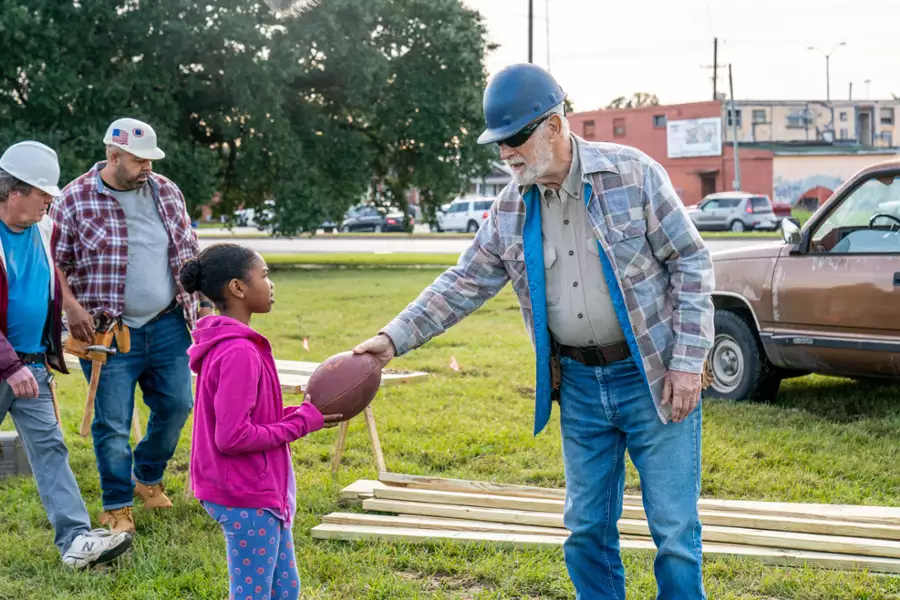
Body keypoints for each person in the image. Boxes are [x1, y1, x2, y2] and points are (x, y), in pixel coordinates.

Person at [354, 64, 714, 599]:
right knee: (585, 529)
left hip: (655, 378)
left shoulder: (633, 175)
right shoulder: (509, 208)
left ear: (554, 125)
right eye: (498, 142)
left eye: (515, 138)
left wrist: (687, 363)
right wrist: (390, 340)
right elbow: (462, 283)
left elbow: (691, 262)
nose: (506, 153)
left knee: (675, 531)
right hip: (580, 386)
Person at [49, 117, 215, 534]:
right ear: (113, 156)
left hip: (168, 322)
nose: (148, 167)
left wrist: (205, 304)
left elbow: (188, 252)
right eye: (139, 160)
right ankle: (117, 506)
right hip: (107, 333)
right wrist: (70, 306)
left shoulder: (167, 190)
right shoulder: (73, 199)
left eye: (150, 160)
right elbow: (54, 264)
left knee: (177, 405)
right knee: (113, 423)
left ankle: (147, 476)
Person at [179, 243, 342, 600]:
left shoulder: (237, 344)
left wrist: (301, 414)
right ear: (238, 287)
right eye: (264, 275)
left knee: (286, 589)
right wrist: (301, 424)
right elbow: (233, 436)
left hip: (257, 489)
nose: (271, 284)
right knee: (252, 593)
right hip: (245, 494)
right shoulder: (238, 351)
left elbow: (250, 419)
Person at [0, 141, 133, 568]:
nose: (50, 202)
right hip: (8, 366)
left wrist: (47, 347)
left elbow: (47, 290)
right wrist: (10, 365)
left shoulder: (45, 230)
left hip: (32, 366)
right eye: (43, 194)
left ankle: (75, 541)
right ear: (14, 191)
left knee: (50, 451)